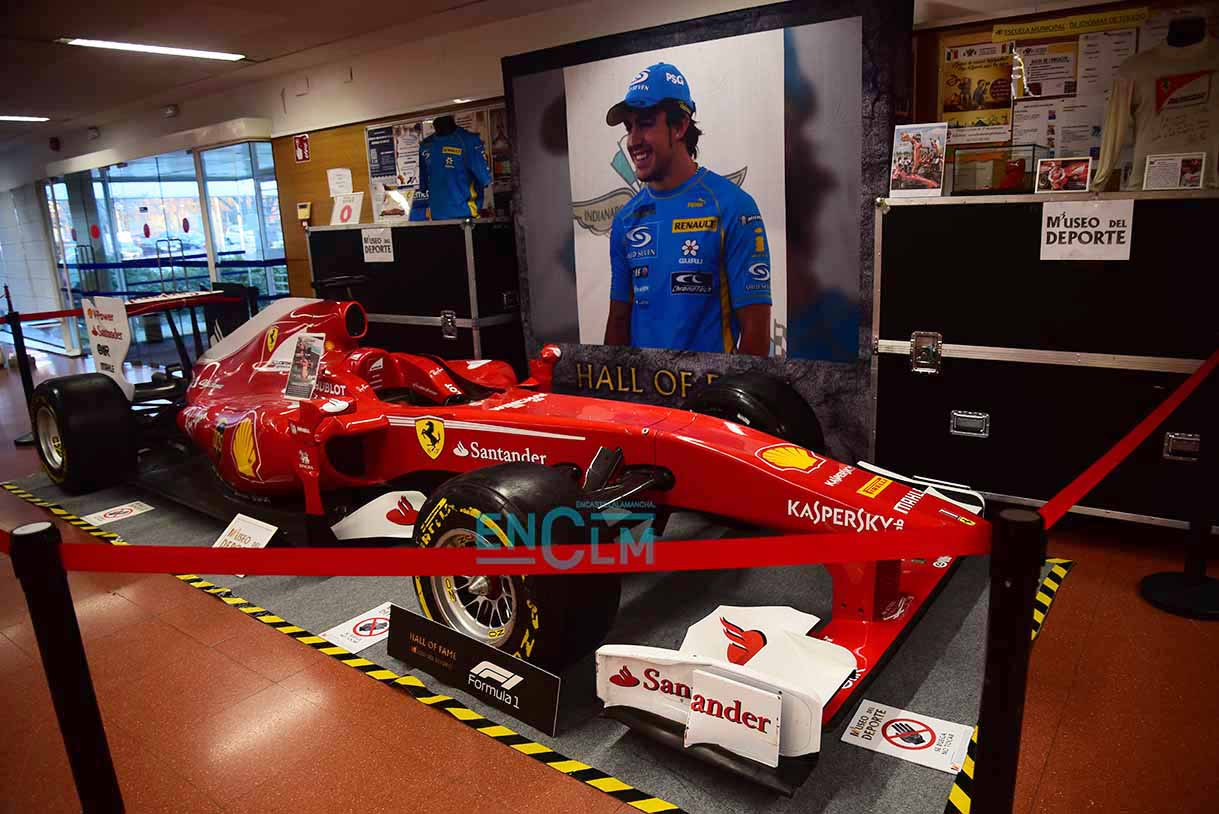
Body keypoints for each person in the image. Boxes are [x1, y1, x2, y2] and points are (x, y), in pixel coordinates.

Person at [603, 62, 772, 355]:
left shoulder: (734, 207)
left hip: (714, 386)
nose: (633, 141)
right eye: (629, 127)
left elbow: (756, 332)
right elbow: (618, 321)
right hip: (644, 385)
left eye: (645, 124)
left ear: (680, 126)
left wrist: (728, 388)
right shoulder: (626, 219)